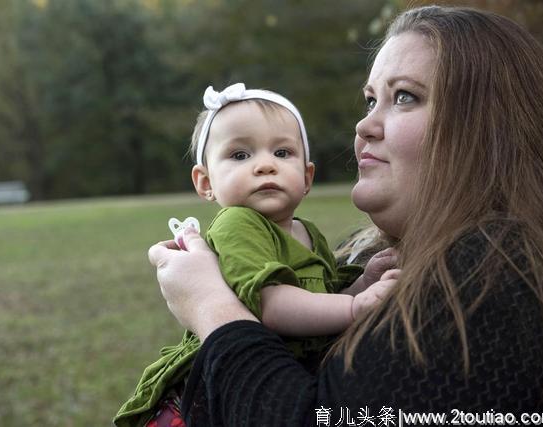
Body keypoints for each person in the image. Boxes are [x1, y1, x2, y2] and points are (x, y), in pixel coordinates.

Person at [147, 5, 543, 425]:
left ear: (489, 128)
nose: (364, 125)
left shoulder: (499, 269)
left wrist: (211, 307)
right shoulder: (362, 254)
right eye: (370, 100)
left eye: (405, 96)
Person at [115, 84, 398, 426]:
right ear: (205, 183)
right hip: (210, 399)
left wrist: (362, 284)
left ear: (307, 177)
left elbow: (321, 301)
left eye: (282, 153)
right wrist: (355, 307)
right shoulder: (237, 224)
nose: (265, 165)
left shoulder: (308, 232)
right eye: (240, 155)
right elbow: (273, 305)